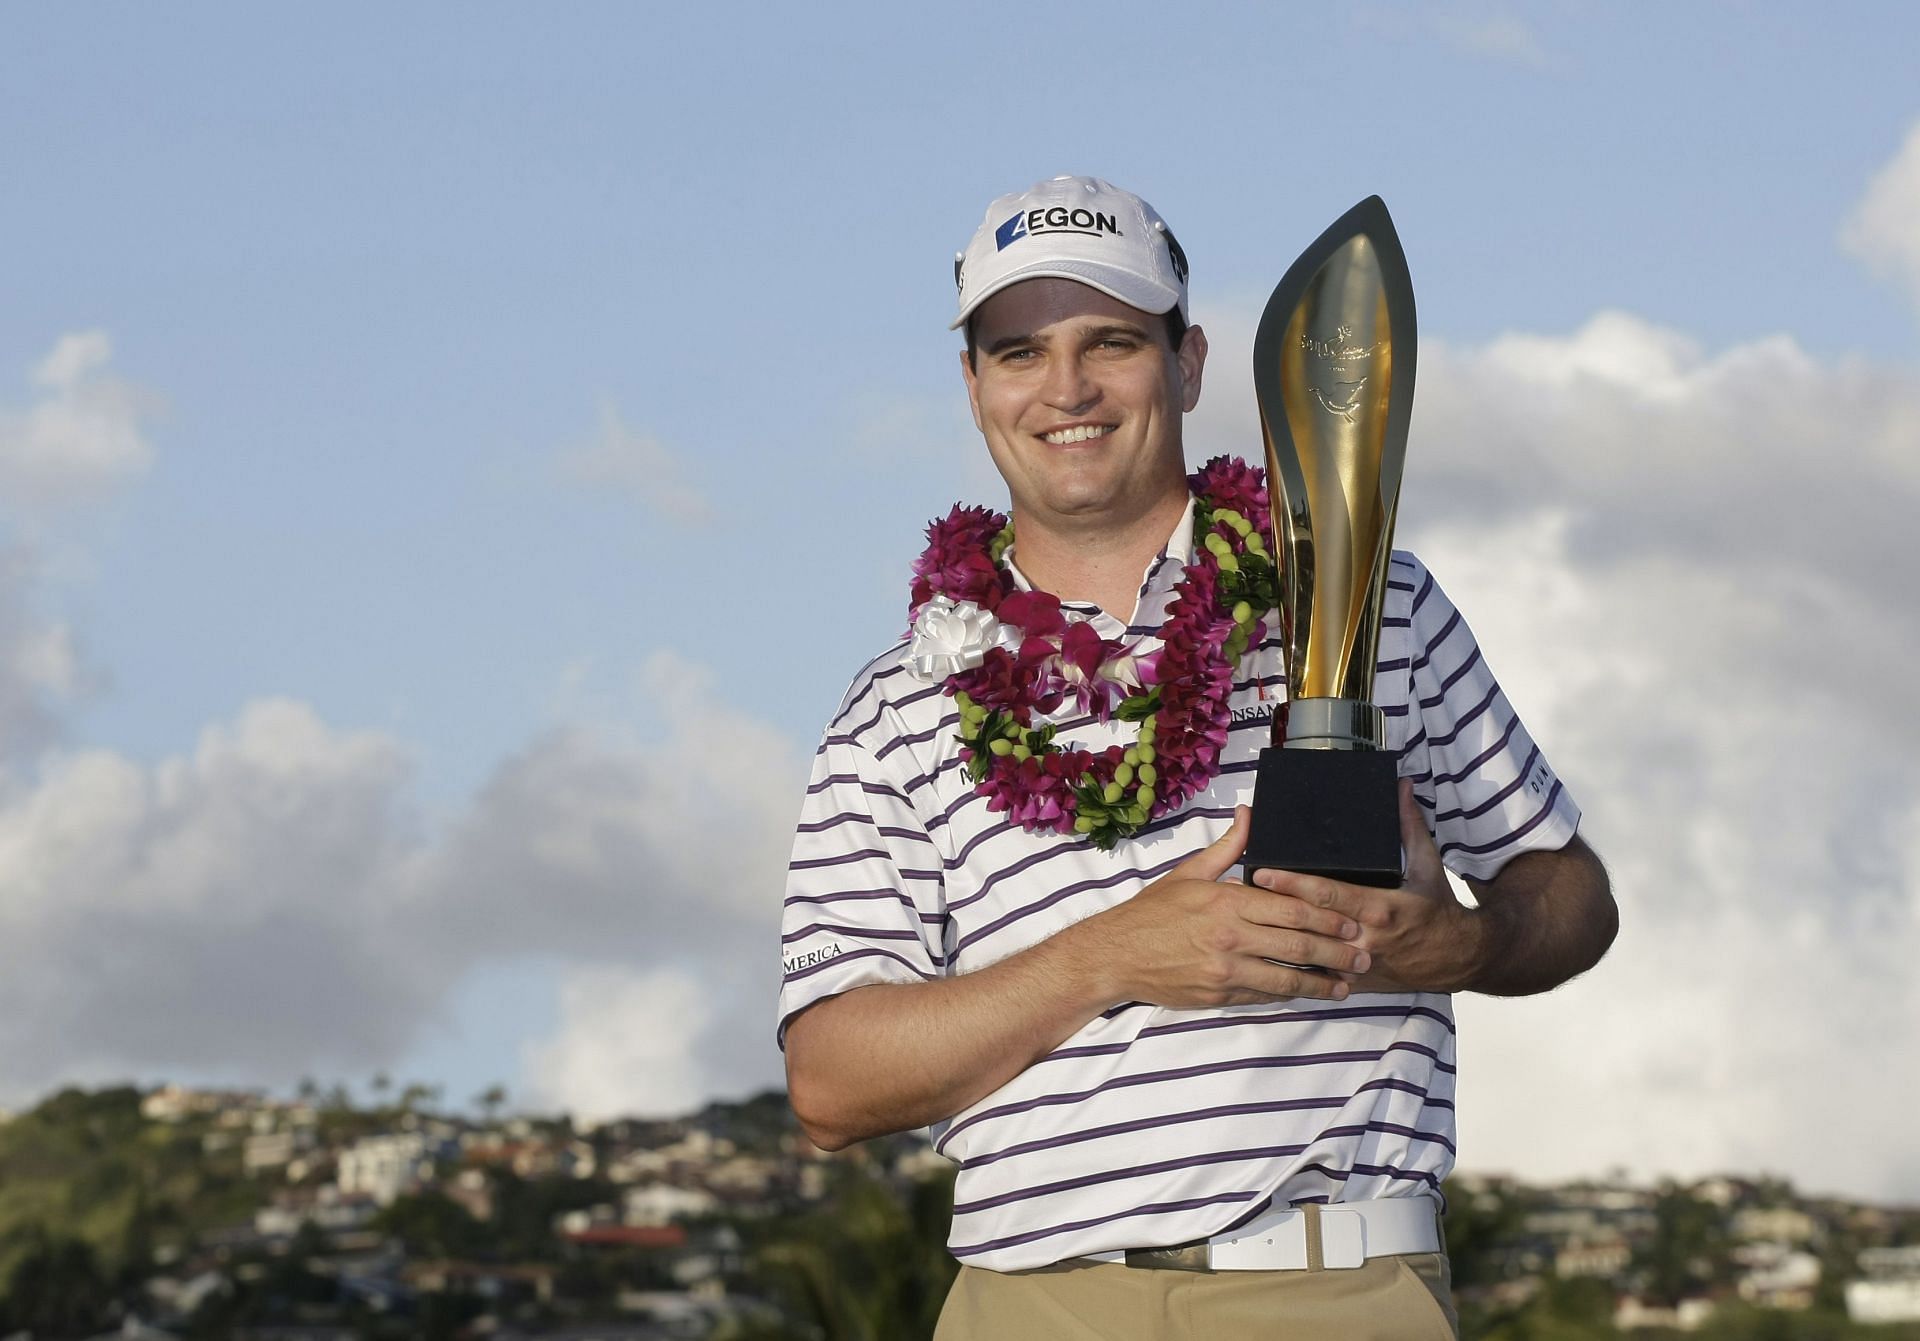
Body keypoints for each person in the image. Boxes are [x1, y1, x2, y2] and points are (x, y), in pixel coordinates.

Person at [778, 175, 1615, 1340]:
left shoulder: (1374, 602)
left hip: (1333, 1289)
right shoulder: (894, 708)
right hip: (1030, 1309)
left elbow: (1568, 892)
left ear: (1189, 363)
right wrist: (1112, 956)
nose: (1065, 389)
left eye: (1110, 341)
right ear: (974, 386)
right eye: (1019, 352)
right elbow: (829, 1082)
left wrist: (1464, 942)